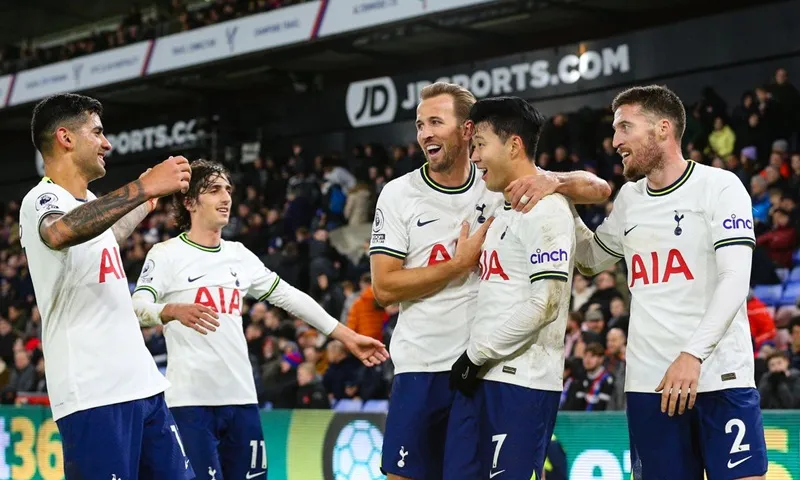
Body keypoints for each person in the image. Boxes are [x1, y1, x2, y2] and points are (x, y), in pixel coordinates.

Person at [370, 82, 610, 480]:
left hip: (485, 369)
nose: (424, 133)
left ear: (467, 130)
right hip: (423, 364)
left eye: (435, 121)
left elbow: (599, 189)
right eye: (418, 124)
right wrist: (456, 264)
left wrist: (554, 180)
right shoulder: (398, 195)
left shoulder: (500, 180)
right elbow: (383, 289)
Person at [131, 160, 389, 479]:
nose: (225, 197)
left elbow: (292, 298)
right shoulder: (166, 254)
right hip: (190, 404)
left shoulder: (239, 254)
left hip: (242, 401)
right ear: (189, 201)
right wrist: (168, 311)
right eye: (214, 190)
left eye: (228, 189)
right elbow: (138, 305)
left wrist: (346, 336)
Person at [568, 85, 767, 480]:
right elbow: (590, 260)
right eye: (614, 129)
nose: (615, 140)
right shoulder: (629, 199)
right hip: (650, 385)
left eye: (626, 127)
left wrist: (692, 354)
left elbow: (734, 280)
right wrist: (560, 201)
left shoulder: (721, 186)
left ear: (662, 128)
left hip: (718, 374)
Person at [20, 93, 194, 479]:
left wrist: (148, 203)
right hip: (94, 392)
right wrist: (143, 187)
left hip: (142, 385)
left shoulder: (92, 203)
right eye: (97, 132)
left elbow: (107, 234)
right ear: (65, 138)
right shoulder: (41, 199)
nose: (106, 143)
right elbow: (62, 231)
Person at [446, 96, 575, 479]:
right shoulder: (503, 209)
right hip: (482, 378)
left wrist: (475, 355)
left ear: (514, 145)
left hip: (522, 382)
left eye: (481, 145)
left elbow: (546, 303)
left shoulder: (548, 209)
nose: (475, 157)